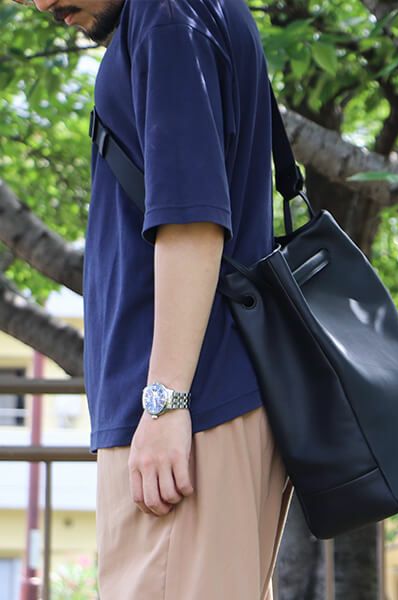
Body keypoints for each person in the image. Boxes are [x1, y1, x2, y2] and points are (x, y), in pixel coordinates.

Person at [22, 0, 294, 598]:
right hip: (196, 406)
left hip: (187, 410)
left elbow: (191, 220)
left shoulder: (167, 17)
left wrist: (165, 404)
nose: (42, 4)